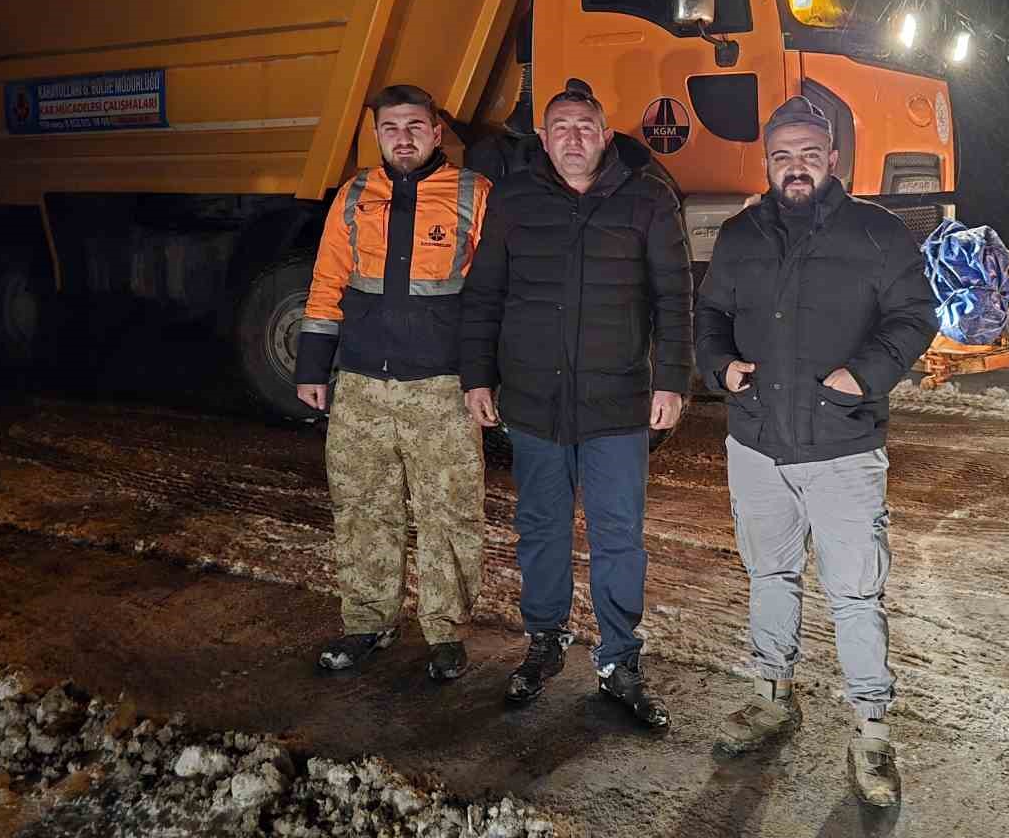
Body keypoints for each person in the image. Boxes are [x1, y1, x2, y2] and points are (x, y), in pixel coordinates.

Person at [694, 95, 936, 807]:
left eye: (808, 154)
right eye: (781, 156)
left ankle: (871, 731)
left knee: (855, 593)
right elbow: (708, 312)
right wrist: (720, 366)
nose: (794, 167)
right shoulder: (740, 236)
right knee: (769, 574)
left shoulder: (877, 233)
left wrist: (863, 374)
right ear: (767, 163)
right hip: (757, 441)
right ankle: (772, 696)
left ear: (833, 160)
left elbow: (914, 315)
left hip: (841, 445)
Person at [459, 78, 691, 730]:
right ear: (542, 137)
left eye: (585, 126)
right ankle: (544, 643)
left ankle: (620, 662)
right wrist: (477, 377)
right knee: (542, 529)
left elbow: (674, 298)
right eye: (560, 127)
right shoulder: (514, 199)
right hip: (534, 401)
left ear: (606, 130)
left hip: (617, 402)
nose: (573, 138)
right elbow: (485, 294)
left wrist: (671, 380)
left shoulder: (647, 199)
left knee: (619, 537)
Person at [295, 84, 491, 683]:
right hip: (361, 383)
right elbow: (328, 279)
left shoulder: (474, 194)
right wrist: (311, 367)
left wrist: (485, 377)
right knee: (361, 508)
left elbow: (492, 296)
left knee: (449, 512)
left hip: (442, 388)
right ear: (376, 134)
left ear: (436, 132)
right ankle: (367, 623)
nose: (402, 137)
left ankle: (446, 634)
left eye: (414, 126)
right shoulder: (355, 195)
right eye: (389, 128)